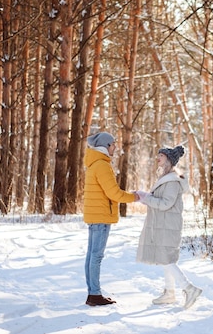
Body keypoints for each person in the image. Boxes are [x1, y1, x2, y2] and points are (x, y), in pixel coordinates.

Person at [135, 145, 202, 309]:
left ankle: (189, 288)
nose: (157, 158)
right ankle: (169, 293)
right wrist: (147, 197)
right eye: (157, 155)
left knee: (166, 259)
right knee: (165, 258)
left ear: (169, 160)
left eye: (161, 156)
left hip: (168, 225)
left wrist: (145, 198)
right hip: (163, 224)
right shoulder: (166, 178)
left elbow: (165, 204)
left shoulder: (172, 180)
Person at [83, 131, 139, 306]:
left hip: (95, 215)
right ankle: (94, 294)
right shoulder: (102, 165)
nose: (115, 147)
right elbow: (113, 193)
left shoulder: (94, 163)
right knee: (96, 256)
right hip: (101, 216)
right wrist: (135, 197)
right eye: (113, 144)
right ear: (106, 146)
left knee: (91, 255)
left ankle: (92, 292)